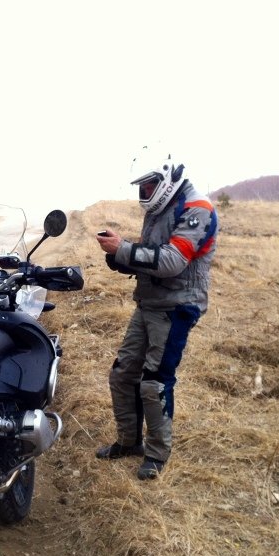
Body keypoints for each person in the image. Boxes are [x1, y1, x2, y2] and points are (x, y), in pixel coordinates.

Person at [95, 155, 218, 480]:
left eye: (149, 185)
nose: (145, 192)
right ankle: (128, 442)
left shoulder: (197, 208)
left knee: (154, 382)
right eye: (142, 186)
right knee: (122, 374)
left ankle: (156, 454)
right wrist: (119, 256)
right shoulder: (160, 208)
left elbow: (172, 261)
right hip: (148, 303)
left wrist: (123, 249)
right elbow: (151, 255)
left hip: (177, 307)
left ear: (167, 179)